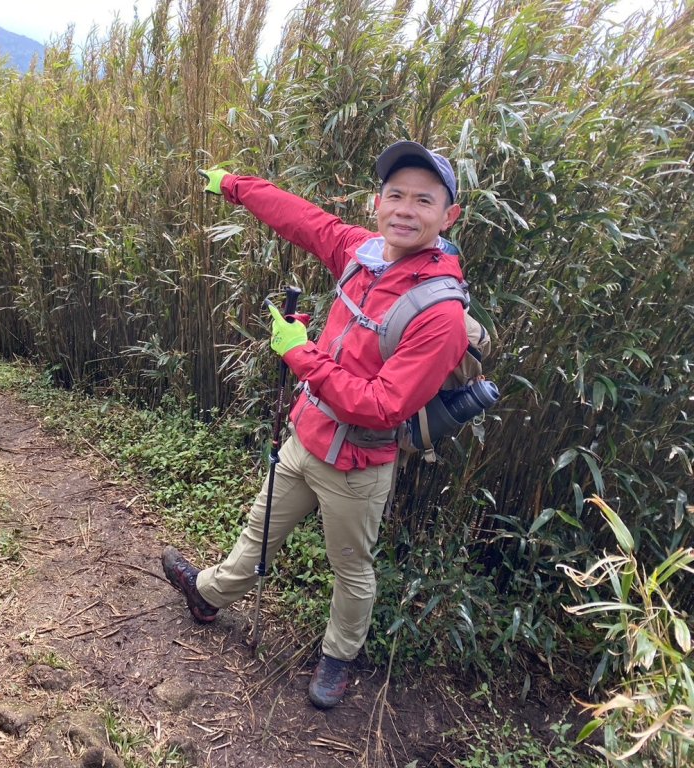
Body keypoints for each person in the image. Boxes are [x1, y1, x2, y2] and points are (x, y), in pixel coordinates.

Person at [161, 140, 466, 709]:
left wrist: (299, 353)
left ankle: (337, 658)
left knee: (351, 569)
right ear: (377, 202)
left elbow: (381, 405)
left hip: (357, 464)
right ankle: (206, 595)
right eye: (395, 195)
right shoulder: (362, 252)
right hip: (305, 436)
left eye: (423, 200)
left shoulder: (441, 313)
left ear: (449, 216)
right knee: (259, 532)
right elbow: (302, 219)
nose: (405, 210)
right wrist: (233, 185)